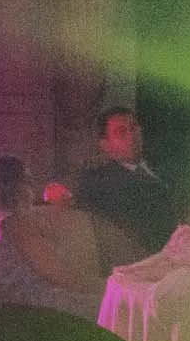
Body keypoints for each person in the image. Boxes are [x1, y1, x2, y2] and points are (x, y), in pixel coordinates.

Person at [0, 157, 101, 317]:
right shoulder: (13, 225)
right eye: (27, 180)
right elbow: (61, 276)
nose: (32, 187)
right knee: (115, 307)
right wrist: (110, 287)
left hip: (6, 308)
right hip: (38, 308)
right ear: (14, 187)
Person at [72, 107, 179, 260]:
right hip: (148, 260)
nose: (131, 135)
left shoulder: (165, 167)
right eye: (121, 132)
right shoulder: (100, 183)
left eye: (134, 128)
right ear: (105, 144)